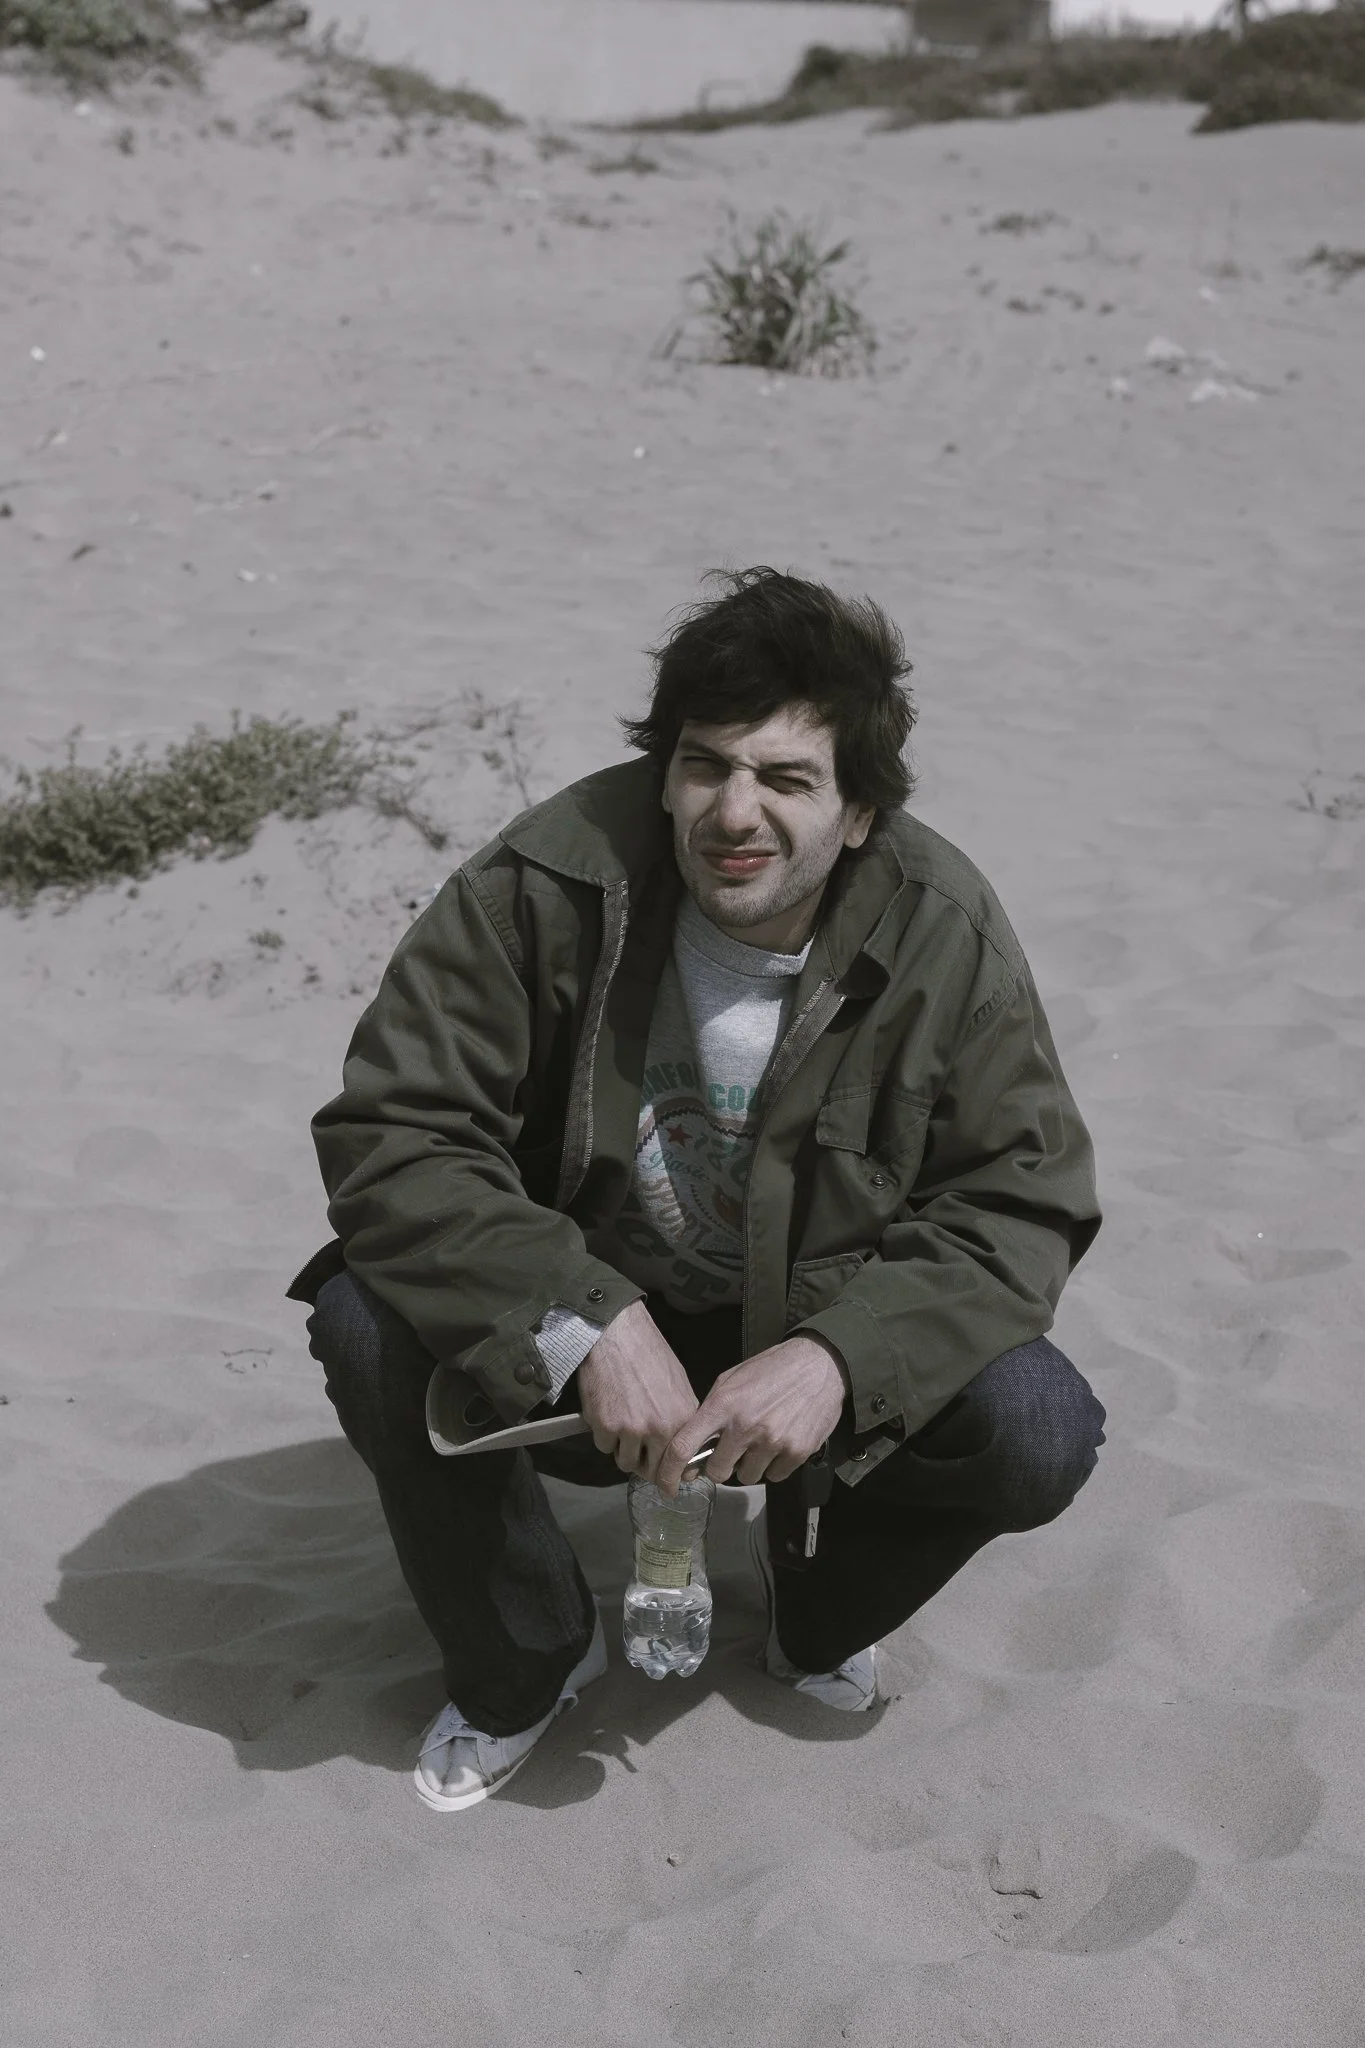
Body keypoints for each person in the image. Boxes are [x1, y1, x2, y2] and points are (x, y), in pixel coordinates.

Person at [290, 567, 1105, 1813]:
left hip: (801, 1327)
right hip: (589, 1317)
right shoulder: (545, 884)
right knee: (363, 1320)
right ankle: (525, 1664)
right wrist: (581, 1315)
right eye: (705, 763)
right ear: (665, 765)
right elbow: (396, 1133)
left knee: (1037, 1424)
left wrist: (838, 1356)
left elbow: (1020, 1201)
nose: (735, 811)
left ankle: (814, 1613)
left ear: (861, 812)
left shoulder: (945, 930)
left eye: (787, 778)